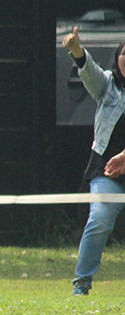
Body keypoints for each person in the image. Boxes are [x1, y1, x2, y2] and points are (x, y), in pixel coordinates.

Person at [62, 26, 125, 295]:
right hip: (107, 171)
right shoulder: (108, 85)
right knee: (99, 219)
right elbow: (91, 73)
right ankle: (82, 282)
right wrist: (77, 51)